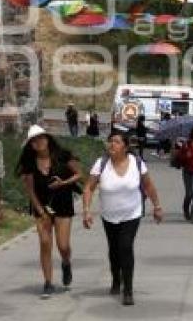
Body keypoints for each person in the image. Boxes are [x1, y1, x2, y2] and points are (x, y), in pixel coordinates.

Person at [83, 131, 163, 306]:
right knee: (114, 249)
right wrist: (86, 210)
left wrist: (157, 206)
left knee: (125, 247)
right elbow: (88, 187)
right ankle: (116, 280)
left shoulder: (137, 163)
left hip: (131, 214)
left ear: (125, 147)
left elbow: (148, 185)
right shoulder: (101, 163)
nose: (112, 144)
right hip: (109, 215)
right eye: (110, 141)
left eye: (117, 142)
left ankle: (128, 290)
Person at [17, 125, 83, 298]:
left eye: (41, 138)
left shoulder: (62, 155)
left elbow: (79, 174)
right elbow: (30, 191)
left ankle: (66, 262)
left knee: (63, 245)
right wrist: (41, 211)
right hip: (41, 206)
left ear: (47, 139)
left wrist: (64, 183)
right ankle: (48, 282)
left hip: (63, 204)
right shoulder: (30, 164)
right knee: (45, 243)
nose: (39, 142)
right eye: (34, 140)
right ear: (31, 145)